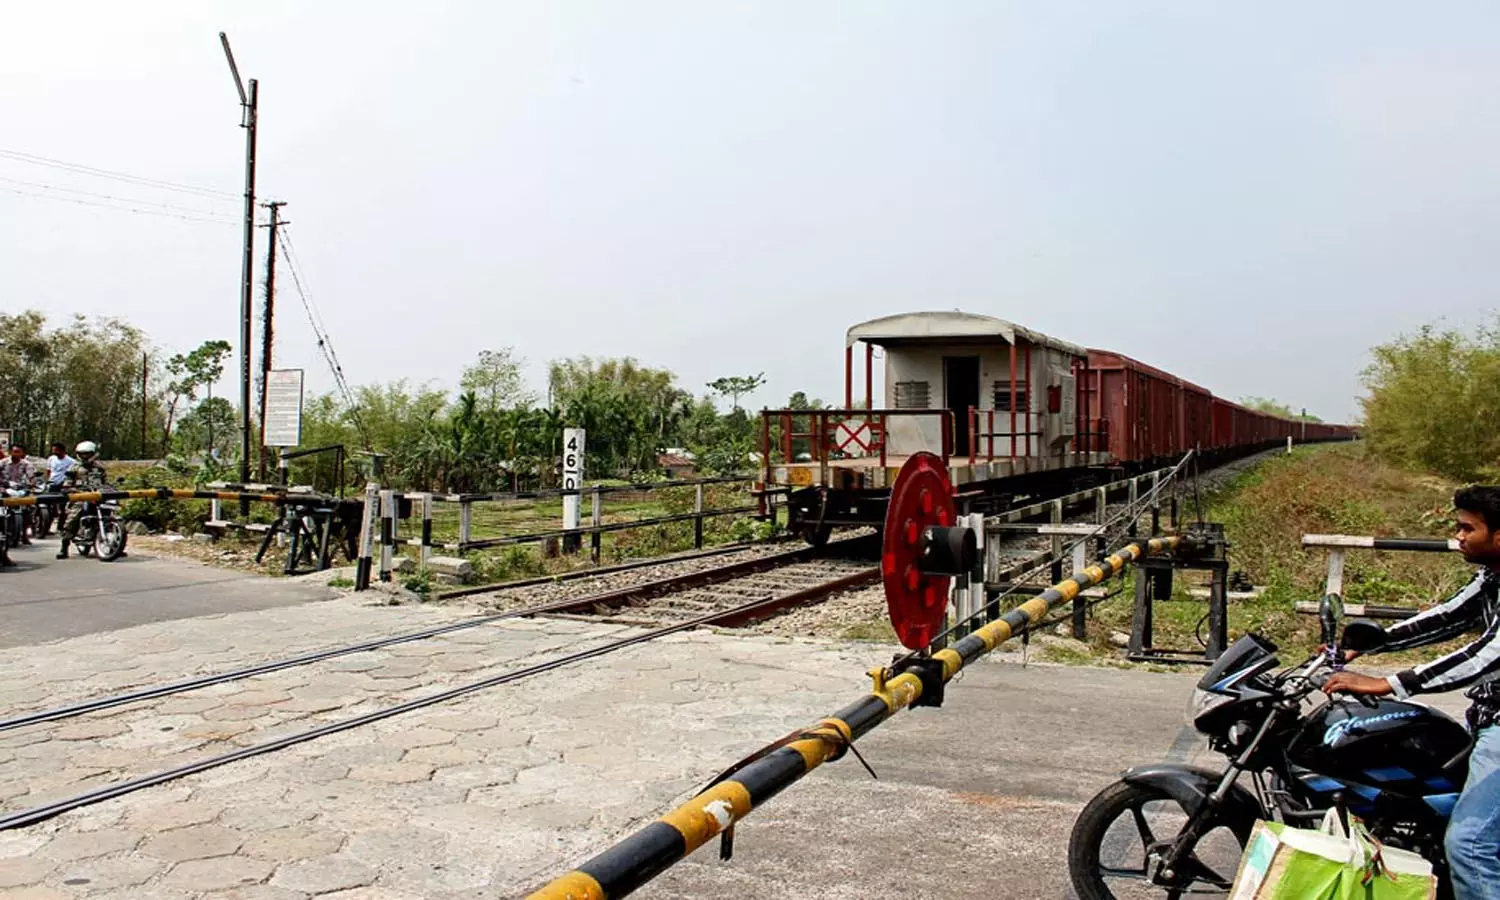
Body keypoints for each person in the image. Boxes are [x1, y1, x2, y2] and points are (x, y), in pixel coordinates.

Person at [1323, 485, 1500, 900]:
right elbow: (1447, 616)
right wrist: (1371, 642)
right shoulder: (1492, 577)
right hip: (1488, 716)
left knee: (1470, 844)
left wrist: (1390, 683)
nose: (1458, 537)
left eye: (1467, 528)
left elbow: (1487, 655)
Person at [56, 441, 107, 560]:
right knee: (72, 519)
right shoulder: (75, 467)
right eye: (82, 454)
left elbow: (105, 482)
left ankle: (116, 544)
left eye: (88, 454)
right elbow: (67, 482)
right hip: (80, 496)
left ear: (93, 453)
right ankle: (64, 547)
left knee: (112, 512)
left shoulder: (100, 468)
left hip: (98, 495)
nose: (85, 456)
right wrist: (69, 488)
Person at [0, 443, 35, 544]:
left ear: (23, 453)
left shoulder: (27, 464)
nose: (17, 454)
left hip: (20, 490)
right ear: (10, 452)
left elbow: (31, 476)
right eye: (15, 451)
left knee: (29, 509)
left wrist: (31, 483)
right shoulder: (2, 462)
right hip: (4, 488)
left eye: (19, 452)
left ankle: (24, 535)